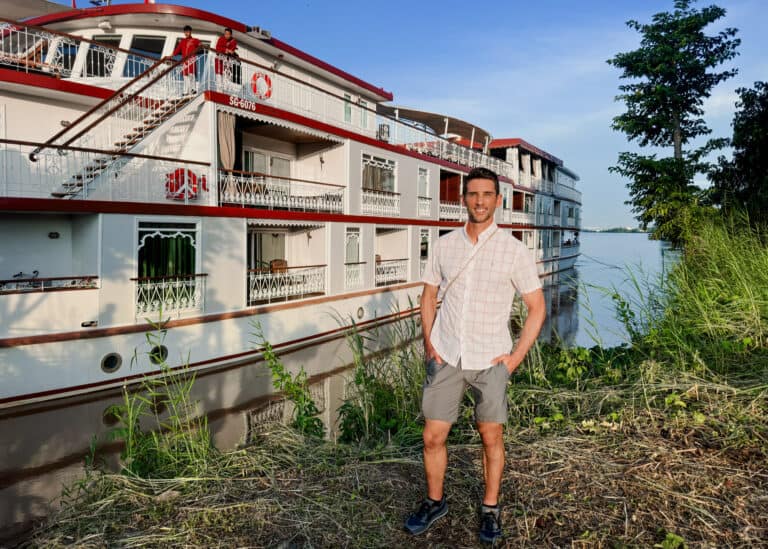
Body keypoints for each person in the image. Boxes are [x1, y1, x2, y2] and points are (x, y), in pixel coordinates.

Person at [404, 167, 546, 544]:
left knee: (490, 436)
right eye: (473, 194)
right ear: (463, 199)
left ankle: (490, 508)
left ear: (498, 200)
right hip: (448, 352)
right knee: (433, 435)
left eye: (487, 194)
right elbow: (429, 295)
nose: (480, 201)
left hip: (490, 357)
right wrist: (429, 343)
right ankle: (435, 502)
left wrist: (514, 359)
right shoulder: (444, 244)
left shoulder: (514, 251)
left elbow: (537, 308)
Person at [171, 25, 201, 95]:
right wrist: (171, 55)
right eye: (185, 32)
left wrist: (199, 47)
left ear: (190, 32)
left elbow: (200, 45)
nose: (187, 33)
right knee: (185, 76)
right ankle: (186, 91)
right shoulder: (182, 41)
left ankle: (193, 89)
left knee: (191, 74)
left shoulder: (195, 40)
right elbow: (177, 50)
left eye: (188, 31)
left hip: (192, 59)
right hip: (184, 60)